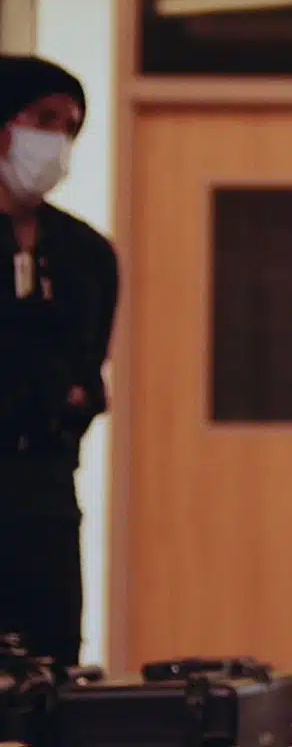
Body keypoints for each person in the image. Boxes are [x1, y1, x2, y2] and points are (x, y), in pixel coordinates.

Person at [0, 55, 117, 668]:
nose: (59, 141)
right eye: (45, 120)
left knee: (52, 678)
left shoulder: (85, 253)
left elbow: (85, 381)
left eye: (72, 127)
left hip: (45, 494)